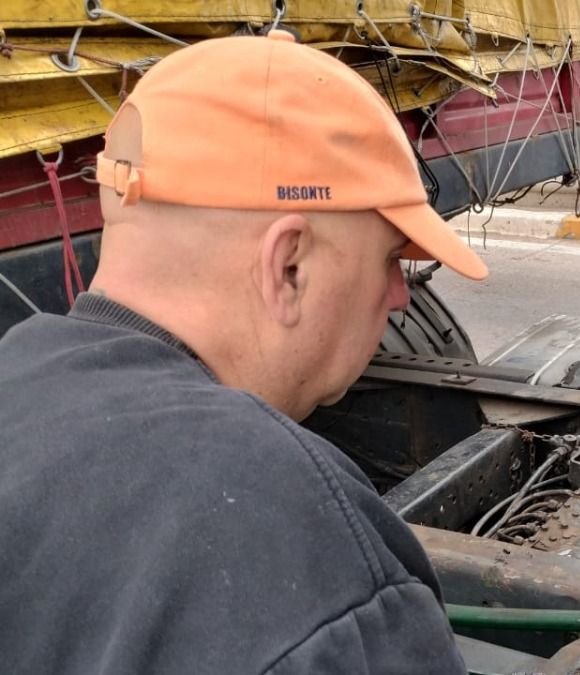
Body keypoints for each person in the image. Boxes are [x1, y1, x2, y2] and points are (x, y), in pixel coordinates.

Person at [0, 30, 487, 673]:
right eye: (390, 257)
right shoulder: (298, 547)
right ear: (288, 266)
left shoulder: (17, 381)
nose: (400, 295)